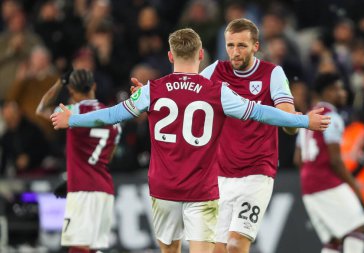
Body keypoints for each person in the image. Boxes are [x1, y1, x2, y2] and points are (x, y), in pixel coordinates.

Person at [50, 28, 330, 253]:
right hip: (203, 187)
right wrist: (304, 120)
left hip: (164, 186)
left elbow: (110, 115)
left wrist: (70, 120)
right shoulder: (217, 91)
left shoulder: (152, 90)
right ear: (201, 55)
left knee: (171, 249)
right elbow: (261, 112)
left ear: (170, 57)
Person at [199, 18, 301, 253]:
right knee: (216, 249)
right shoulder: (215, 70)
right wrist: (149, 94)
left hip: (257, 173)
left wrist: (293, 123)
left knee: (236, 245)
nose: (235, 52)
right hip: (221, 176)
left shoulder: (272, 73)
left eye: (242, 46)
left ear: (256, 46)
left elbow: (287, 117)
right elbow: (185, 92)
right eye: (231, 45)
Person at [36, 69, 121, 253]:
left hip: (83, 189)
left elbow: (41, 109)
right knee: (92, 248)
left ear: (72, 92)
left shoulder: (72, 111)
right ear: (94, 86)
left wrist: (59, 83)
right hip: (104, 190)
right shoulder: (114, 117)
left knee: (78, 248)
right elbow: (108, 156)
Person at [294, 73, 364, 253]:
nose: (342, 93)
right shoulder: (331, 117)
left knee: (333, 239)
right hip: (325, 181)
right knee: (358, 226)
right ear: (326, 92)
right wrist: (355, 187)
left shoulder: (308, 115)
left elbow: (298, 159)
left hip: (308, 184)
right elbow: (335, 160)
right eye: (337, 89)